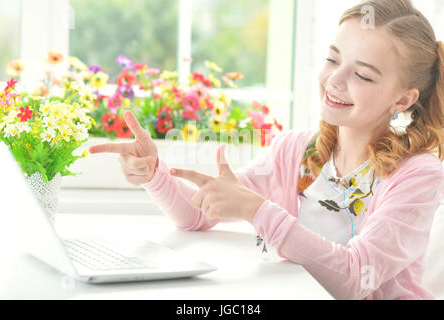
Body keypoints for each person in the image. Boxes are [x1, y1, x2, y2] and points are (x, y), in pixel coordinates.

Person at [89, 0, 444, 300]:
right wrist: (154, 175)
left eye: (363, 75)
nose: (335, 80)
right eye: (333, 60)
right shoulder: (294, 151)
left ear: (403, 99)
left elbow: (354, 279)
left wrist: (256, 209)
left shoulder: (417, 175)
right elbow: (197, 215)